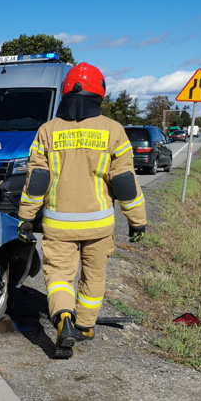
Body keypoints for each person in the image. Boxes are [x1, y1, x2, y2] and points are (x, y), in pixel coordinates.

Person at [16, 62, 147, 359]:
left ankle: (63, 317)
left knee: (60, 276)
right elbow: (125, 181)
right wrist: (137, 221)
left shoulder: (47, 131)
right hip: (99, 226)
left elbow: (37, 180)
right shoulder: (112, 130)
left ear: (66, 92)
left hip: (58, 225)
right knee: (94, 275)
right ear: (99, 92)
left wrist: (25, 218)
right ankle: (85, 326)